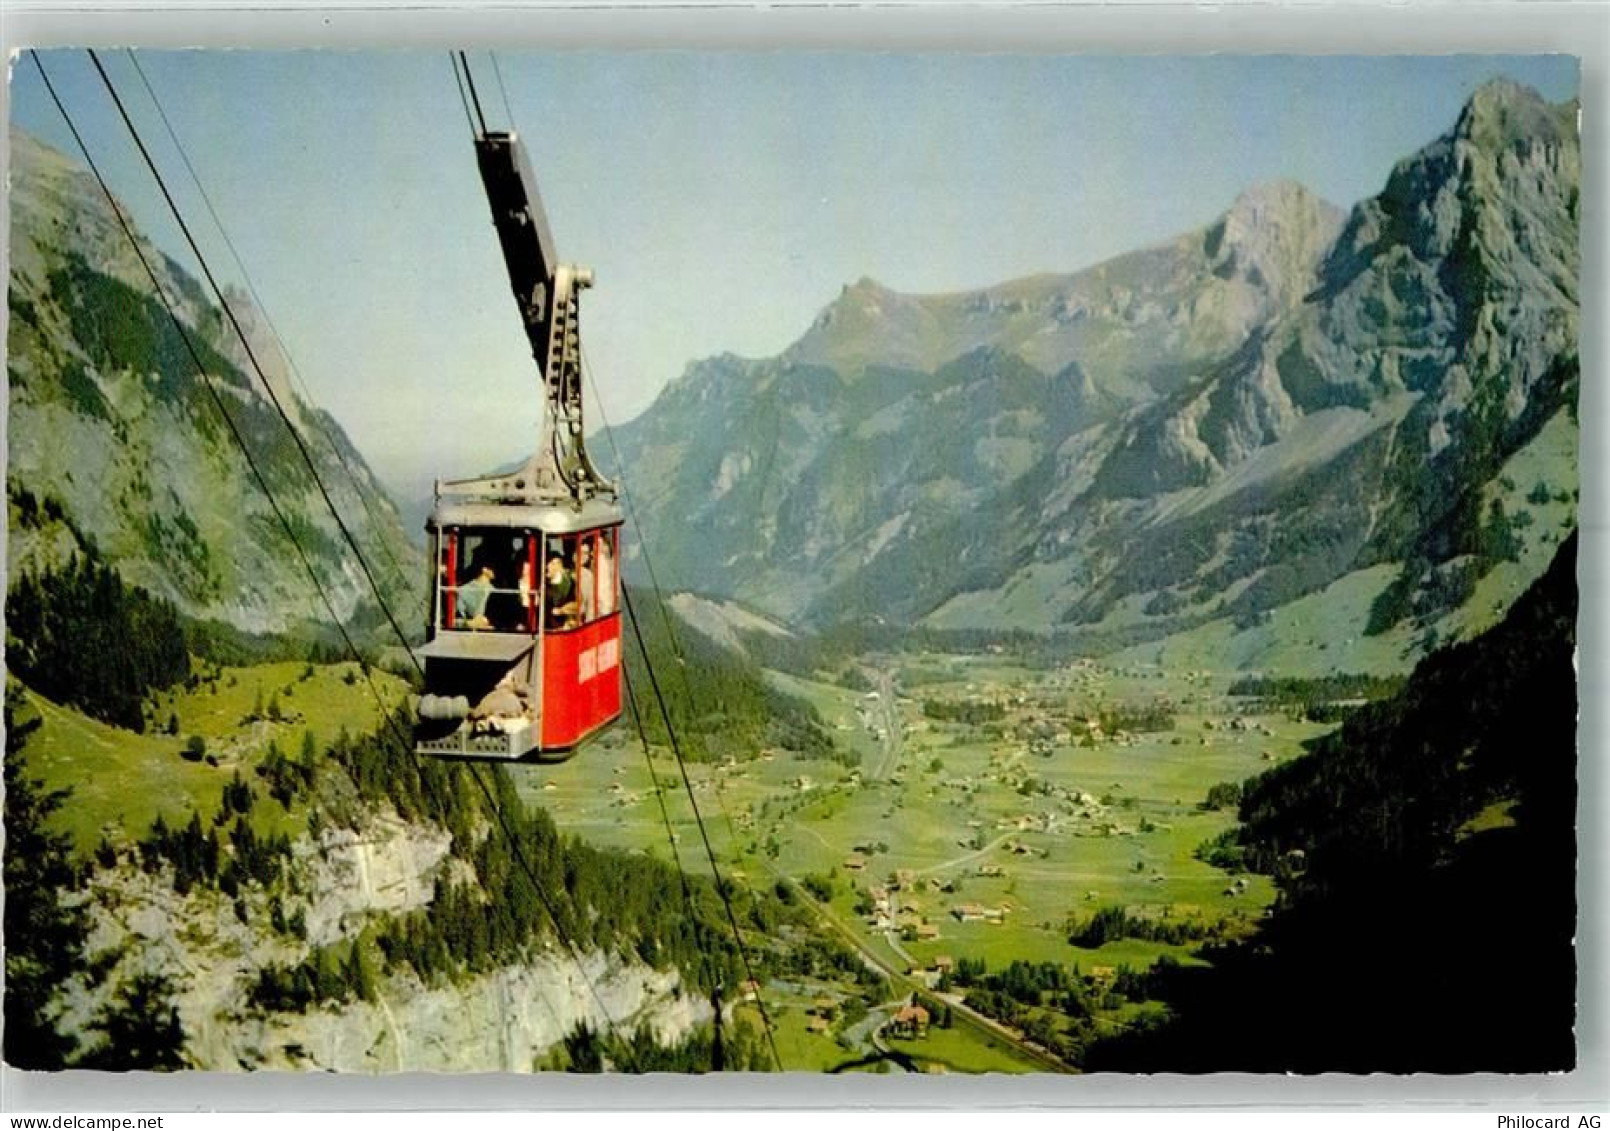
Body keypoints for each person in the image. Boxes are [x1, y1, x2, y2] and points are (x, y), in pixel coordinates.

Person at [457, 560, 495, 629]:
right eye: (493, 567)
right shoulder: (464, 590)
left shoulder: (495, 591)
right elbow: (458, 617)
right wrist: (470, 623)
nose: (496, 570)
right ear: (484, 569)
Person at [544, 552, 577, 630]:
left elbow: (576, 603)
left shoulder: (569, 583)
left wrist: (562, 610)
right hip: (548, 625)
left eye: (552, 564)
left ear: (559, 566)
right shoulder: (545, 583)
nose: (547, 567)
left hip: (565, 625)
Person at [596, 533, 617, 616]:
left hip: (606, 601)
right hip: (603, 600)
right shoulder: (601, 560)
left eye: (602, 545)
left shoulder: (605, 561)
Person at [576, 539, 595, 623]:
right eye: (580, 553)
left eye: (586, 553)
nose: (583, 556)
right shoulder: (567, 570)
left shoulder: (588, 576)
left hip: (580, 619)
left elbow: (590, 602)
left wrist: (588, 622)